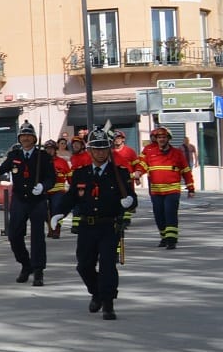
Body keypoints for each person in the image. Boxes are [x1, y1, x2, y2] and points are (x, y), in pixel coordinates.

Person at [67, 127, 137, 319]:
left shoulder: (119, 173)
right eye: (96, 149)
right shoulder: (81, 174)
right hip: (87, 226)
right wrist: (57, 213)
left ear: (109, 150)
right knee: (84, 265)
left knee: (107, 265)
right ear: (89, 150)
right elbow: (71, 197)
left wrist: (130, 202)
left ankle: (108, 303)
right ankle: (96, 292)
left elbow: (132, 197)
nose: (100, 152)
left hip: (109, 226)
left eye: (103, 148)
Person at [0, 123, 58, 285]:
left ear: (34, 138)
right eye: (23, 136)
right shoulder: (15, 155)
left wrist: (43, 187)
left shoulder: (44, 156)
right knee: (14, 235)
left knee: (37, 237)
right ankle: (25, 264)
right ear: (19, 138)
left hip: (37, 200)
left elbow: (51, 178)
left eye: (28, 136)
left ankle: (39, 270)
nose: (25, 138)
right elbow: (4, 168)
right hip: (20, 200)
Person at [139, 125, 195, 248]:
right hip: (156, 191)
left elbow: (186, 171)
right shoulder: (150, 152)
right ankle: (164, 237)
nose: (161, 139)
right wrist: (137, 173)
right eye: (159, 137)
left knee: (170, 213)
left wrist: (191, 188)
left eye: (164, 137)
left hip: (172, 190)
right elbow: (142, 165)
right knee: (159, 215)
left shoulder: (177, 153)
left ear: (168, 138)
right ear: (156, 139)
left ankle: (171, 240)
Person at [47, 139, 73, 240]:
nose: (49, 151)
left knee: (56, 209)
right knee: (44, 211)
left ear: (55, 150)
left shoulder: (62, 162)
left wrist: (72, 186)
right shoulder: (42, 162)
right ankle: (50, 227)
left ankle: (56, 229)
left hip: (58, 191)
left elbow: (69, 175)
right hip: (45, 191)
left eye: (51, 149)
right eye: (47, 149)